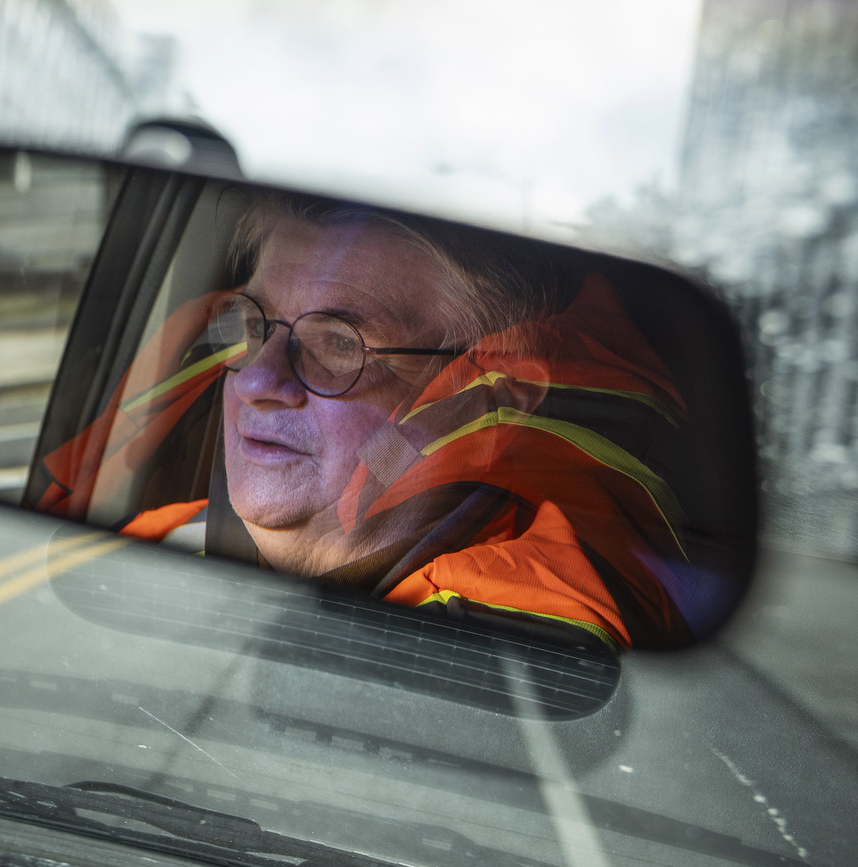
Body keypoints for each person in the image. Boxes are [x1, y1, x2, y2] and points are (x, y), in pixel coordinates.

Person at [37, 193, 700, 651]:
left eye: (340, 345)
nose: (259, 382)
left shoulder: (523, 630)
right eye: (253, 326)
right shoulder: (148, 540)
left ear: (495, 397)